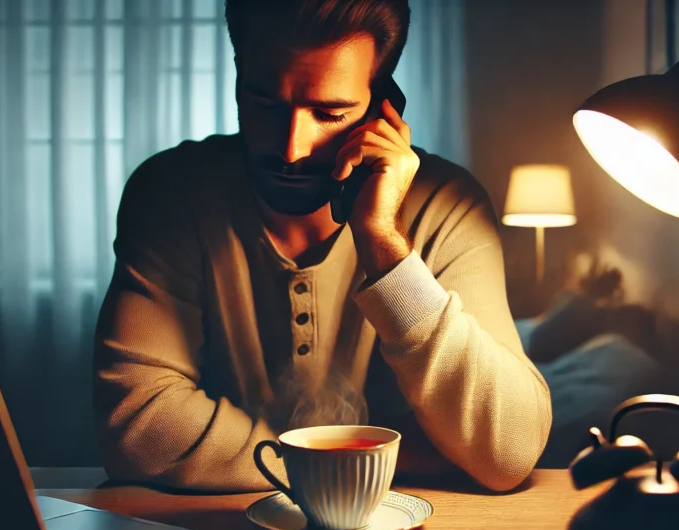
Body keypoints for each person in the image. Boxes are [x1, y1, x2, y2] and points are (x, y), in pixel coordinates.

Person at [92, 0, 552, 494]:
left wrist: (385, 246)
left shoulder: (450, 205)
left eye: (329, 113)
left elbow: (508, 451)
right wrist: (361, 466)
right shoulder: (170, 192)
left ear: (384, 107)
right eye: (265, 104)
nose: (292, 148)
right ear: (236, 75)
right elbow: (136, 427)